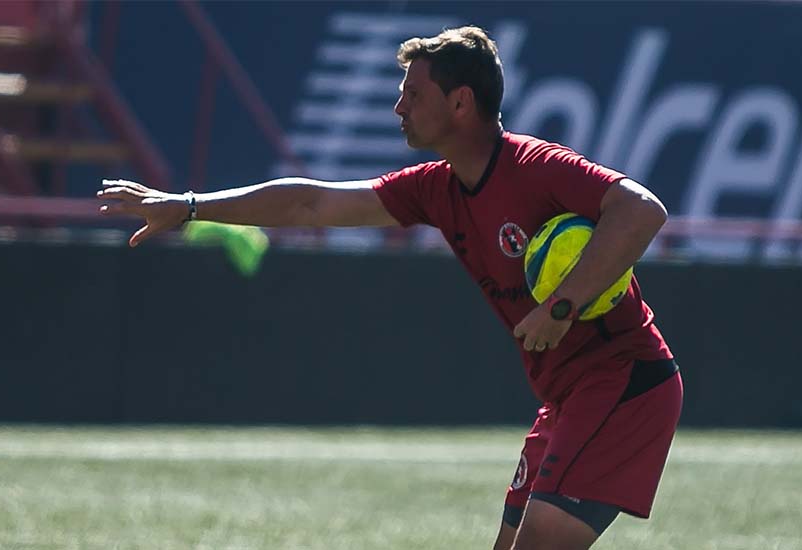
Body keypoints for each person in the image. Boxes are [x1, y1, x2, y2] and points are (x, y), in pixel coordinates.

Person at [97, 26, 682, 550]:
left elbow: (641, 211)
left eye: (414, 94)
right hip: (566, 396)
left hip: (624, 382)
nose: (398, 106)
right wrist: (190, 206)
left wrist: (561, 304)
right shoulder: (435, 188)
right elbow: (311, 201)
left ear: (460, 102)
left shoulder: (534, 166)